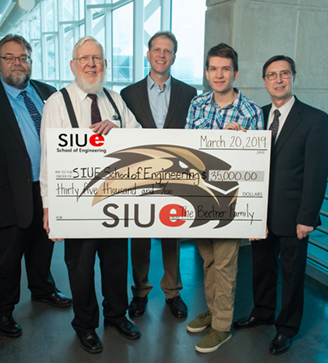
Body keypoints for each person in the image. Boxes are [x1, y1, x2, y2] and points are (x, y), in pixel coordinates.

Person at [0, 34, 72, 338]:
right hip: (5, 194)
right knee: (5, 259)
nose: (17, 63)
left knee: (42, 246)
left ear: (31, 61)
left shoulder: (50, 94)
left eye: (22, 57)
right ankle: (0, 310)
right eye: (9, 57)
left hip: (46, 190)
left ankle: (42, 289)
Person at [40, 36, 142, 354]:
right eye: (84, 58)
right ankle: (85, 325)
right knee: (80, 269)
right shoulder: (57, 102)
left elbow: (140, 137)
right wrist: (48, 208)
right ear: (73, 65)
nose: (91, 64)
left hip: (113, 202)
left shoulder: (114, 100)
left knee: (115, 265)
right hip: (77, 205)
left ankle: (116, 316)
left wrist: (120, 131)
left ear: (105, 65)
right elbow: (47, 158)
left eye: (97, 58)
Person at [233, 55, 328, 355]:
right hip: (259, 213)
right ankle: (262, 312)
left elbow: (316, 172)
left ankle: (286, 328)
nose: (278, 80)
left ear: (293, 77)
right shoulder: (256, 116)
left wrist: (307, 217)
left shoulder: (315, 119)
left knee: (291, 273)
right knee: (261, 268)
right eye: (271, 75)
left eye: (284, 74)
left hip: (293, 215)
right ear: (264, 82)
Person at [184, 43, 263, 354]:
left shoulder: (251, 111)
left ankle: (222, 327)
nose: (219, 74)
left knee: (226, 264)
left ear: (235, 72)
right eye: (213, 68)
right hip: (201, 198)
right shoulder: (197, 105)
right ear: (207, 72)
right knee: (209, 260)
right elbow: (188, 150)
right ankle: (214, 310)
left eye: (225, 69)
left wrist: (239, 143)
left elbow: (256, 165)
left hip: (232, 202)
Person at [120, 31, 197, 319]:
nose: (161, 55)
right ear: (148, 54)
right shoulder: (128, 94)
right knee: (138, 233)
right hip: (139, 174)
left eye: (167, 51)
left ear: (174, 57)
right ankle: (140, 293)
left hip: (176, 174)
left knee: (171, 232)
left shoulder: (189, 94)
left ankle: (172, 293)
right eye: (156, 49)